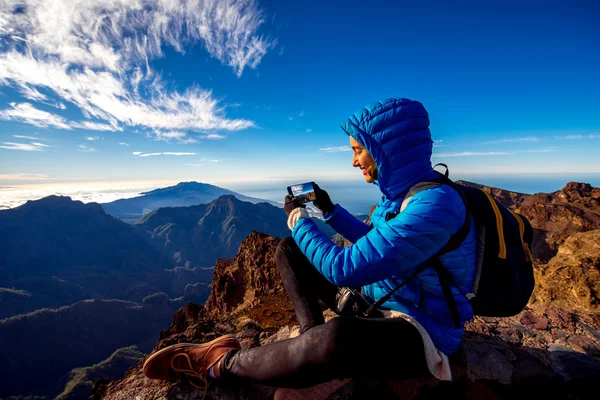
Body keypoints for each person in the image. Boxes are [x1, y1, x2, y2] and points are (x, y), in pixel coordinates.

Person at [142, 98, 477, 396]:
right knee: (290, 251)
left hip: (420, 332)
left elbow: (343, 267)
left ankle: (220, 363)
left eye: (357, 150)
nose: (353, 161)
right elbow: (376, 244)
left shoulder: (434, 206)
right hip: (379, 301)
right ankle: (309, 342)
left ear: (384, 150)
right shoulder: (406, 196)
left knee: (337, 339)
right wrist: (329, 210)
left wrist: (298, 218)